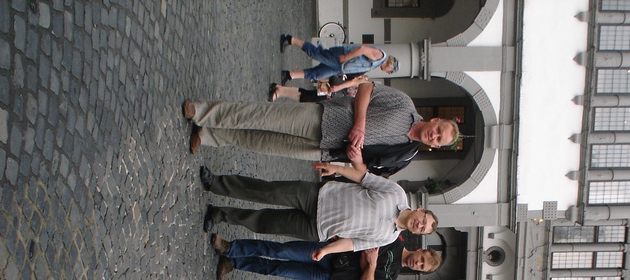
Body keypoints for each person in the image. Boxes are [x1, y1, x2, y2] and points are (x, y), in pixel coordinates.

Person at [181, 82, 459, 175]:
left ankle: (208, 135)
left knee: (262, 142)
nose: (434, 136)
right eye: (438, 131)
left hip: (326, 150)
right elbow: (366, 87)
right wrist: (360, 124)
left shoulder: (406, 154)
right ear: (435, 121)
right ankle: (203, 112)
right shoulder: (404, 104)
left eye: (438, 140)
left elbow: (369, 174)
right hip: (326, 118)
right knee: (262, 116)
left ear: (435, 146)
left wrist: (356, 160)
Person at [200, 162, 437, 257]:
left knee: (263, 223)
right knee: (267, 191)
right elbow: (363, 177)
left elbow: (352, 244)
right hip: (318, 196)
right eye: (423, 220)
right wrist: (336, 168)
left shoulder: (388, 237)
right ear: (421, 210)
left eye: (422, 229)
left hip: (317, 229)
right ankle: (216, 183)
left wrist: (326, 250)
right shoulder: (396, 193)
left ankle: (219, 214)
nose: (419, 225)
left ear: (416, 233)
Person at [210, 234, 442, 280]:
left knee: (277, 269)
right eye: (422, 259)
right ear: (421, 250)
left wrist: (371, 264)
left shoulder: (392, 275)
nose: (418, 264)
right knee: (281, 250)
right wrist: (366, 267)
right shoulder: (394, 240)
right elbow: (363, 241)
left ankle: (234, 263)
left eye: (422, 267)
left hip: (329, 276)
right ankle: (231, 247)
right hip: (331, 252)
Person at [280, 35, 398, 82]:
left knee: (317, 74)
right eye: (390, 71)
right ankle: (290, 40)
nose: (388, 72)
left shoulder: (377, 64)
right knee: (316, 53)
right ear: (390, 65)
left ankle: (289, 75)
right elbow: (362, 49)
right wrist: (346, 57)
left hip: (341, 67)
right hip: (341, 57)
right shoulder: (380, 56)